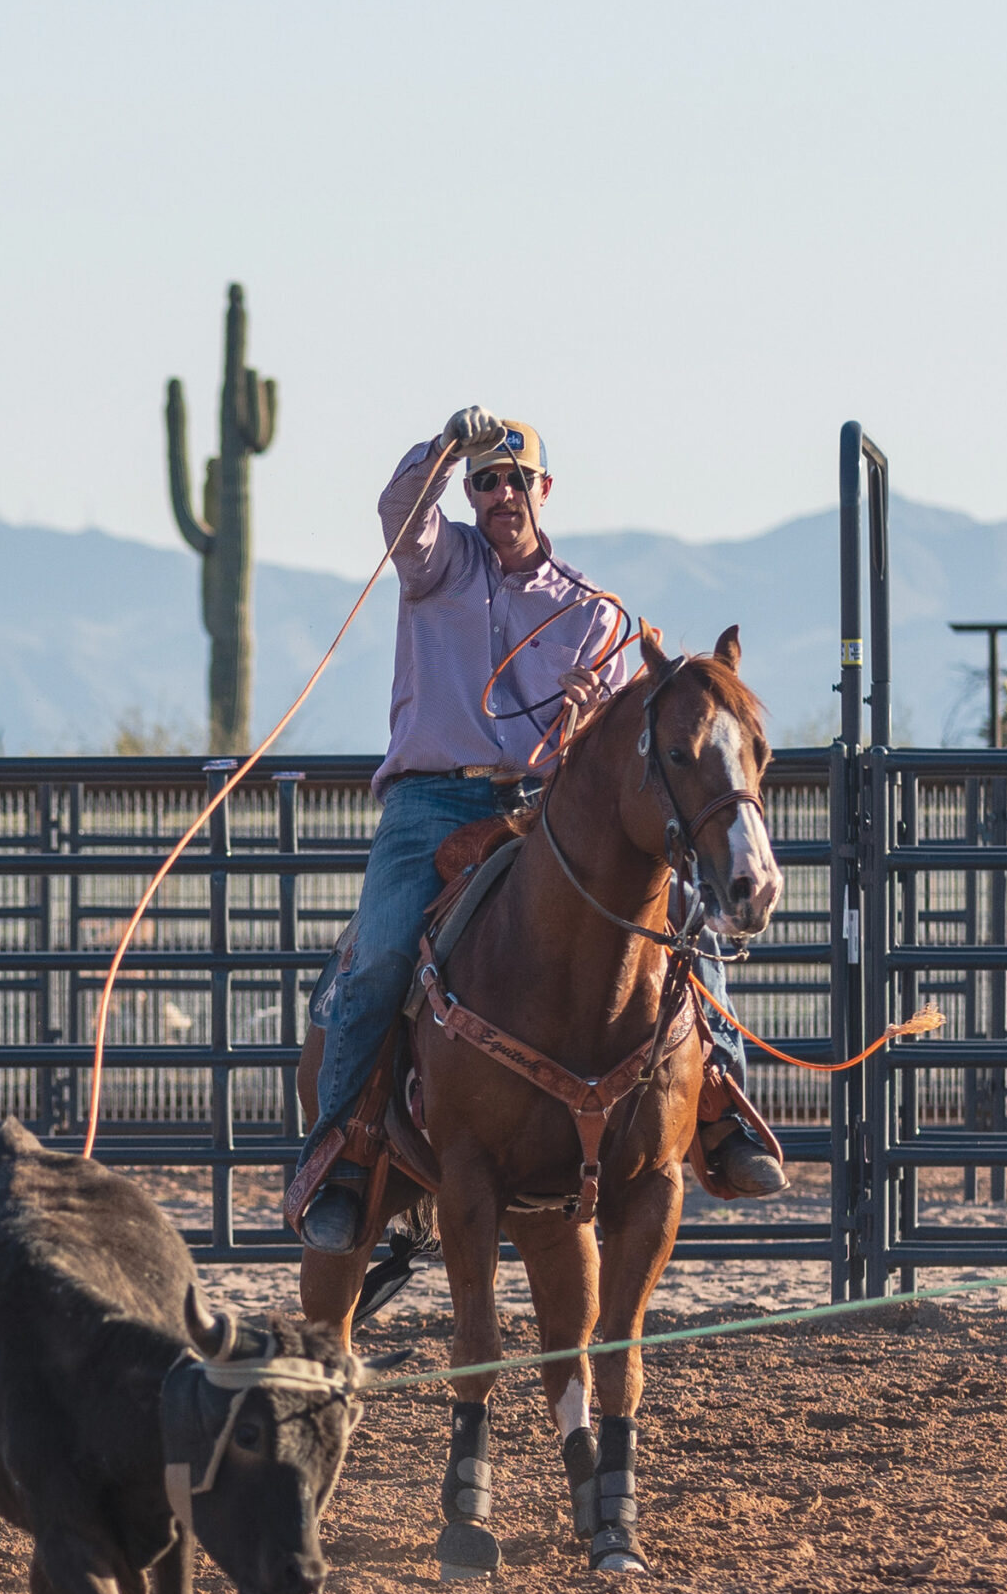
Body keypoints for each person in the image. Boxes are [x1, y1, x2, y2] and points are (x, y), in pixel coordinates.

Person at [292, 407, 788, 1254]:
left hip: (537, 805)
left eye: (516, 479)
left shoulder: (592, 613)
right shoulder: (435, 564)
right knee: (378, 953)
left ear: (545, 491)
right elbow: (399, 513)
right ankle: (344, 1154)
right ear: (470, 493)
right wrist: (445, 442)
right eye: (485, 480)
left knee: (682, 928)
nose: (501, 493)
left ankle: (723, 1107)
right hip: (428, 803)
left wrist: (585, 725)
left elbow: (615, 751)